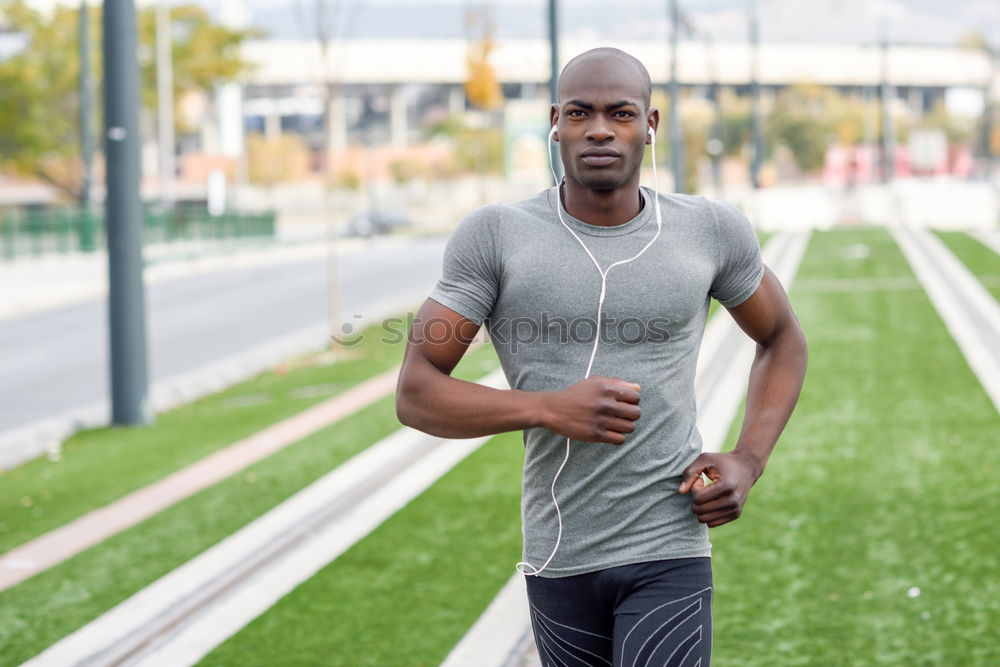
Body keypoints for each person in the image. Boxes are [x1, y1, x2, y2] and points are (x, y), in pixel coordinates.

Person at [396, 47, 807, 666]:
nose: (599, 129)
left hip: (668, 543)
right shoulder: (496, 235)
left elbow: (782, 340)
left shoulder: (710, 230)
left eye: (620, 113)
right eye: (581, 113)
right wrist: (546, 408)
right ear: (555, 120)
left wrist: (749, 458)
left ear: (650, 125)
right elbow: (417, 391)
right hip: (560, 551)